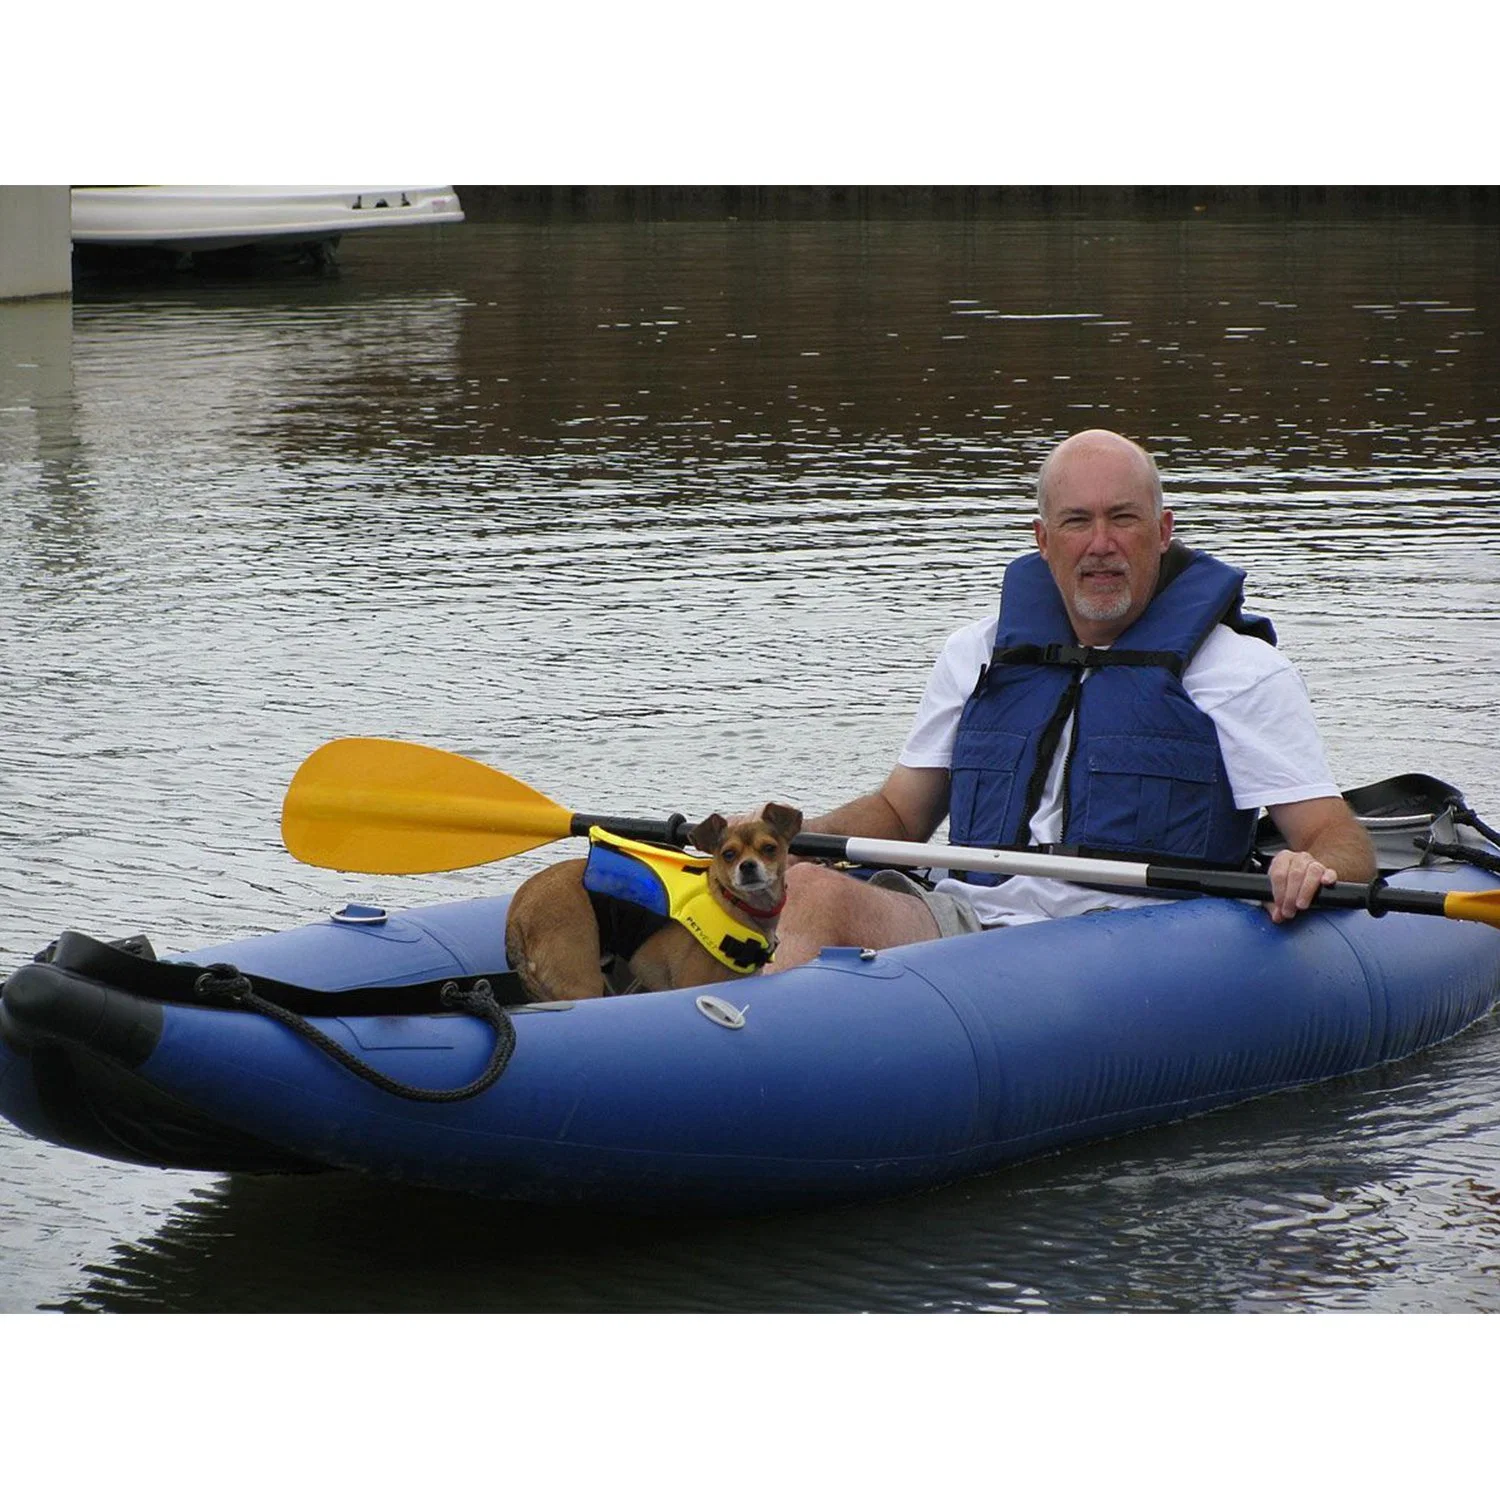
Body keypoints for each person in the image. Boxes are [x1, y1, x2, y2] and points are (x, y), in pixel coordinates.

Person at [767, 428, 1376, 970]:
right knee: (814, 890)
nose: (1101, 543)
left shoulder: (1240, 671)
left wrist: (1309, 866)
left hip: (1133, 944)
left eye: (1124, 518)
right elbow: (901, 816)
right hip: (970, 924)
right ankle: (749, 1060)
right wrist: (787, 844)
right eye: (1077, 521)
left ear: (1163, 532)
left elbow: (1334, 835)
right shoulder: (975, 653)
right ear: (1044, 539)